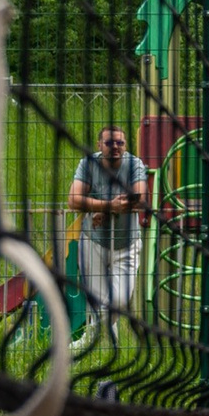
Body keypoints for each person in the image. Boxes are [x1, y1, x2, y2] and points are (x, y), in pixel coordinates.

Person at [68, 125, 148, 336]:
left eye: (120, 143)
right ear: (99, 145)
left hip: (127, 244)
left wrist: (106, 209)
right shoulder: (88, 163)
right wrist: (107, 206)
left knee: (119, 301)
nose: (115, 147)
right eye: (109, 143)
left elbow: (140, 198)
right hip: (93, 241)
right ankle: (108, 349)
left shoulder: (134, 164)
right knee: (96, 302)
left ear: (125, 145)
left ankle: (89, 339)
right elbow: (73, 200)